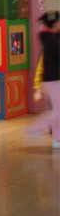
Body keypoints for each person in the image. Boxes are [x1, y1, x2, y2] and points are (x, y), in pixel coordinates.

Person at [29, 10, 60, 148]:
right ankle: (37, 127)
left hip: (53, 80)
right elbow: (42, 66)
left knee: (56, 111)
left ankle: (57, 139)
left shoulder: (53, 39)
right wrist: (37, 88)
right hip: (53, 80)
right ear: (55, 23)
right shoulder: (51, 42)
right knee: (57, 111)